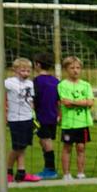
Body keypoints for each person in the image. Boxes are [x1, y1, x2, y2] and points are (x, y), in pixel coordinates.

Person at [3, 57, 40, 183]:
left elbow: (30, 101)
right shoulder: (9, 82)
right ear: (15, 70)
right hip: (15, 119)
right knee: (17, 147)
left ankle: (21, 172)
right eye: (22, 70)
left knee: (23, 147)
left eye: (28, 71)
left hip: (28, 118)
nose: (26, 73)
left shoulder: (30, 84)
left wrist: (34, 115)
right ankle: (7, 170)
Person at [57, 56, 94, 179]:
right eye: (72, 68)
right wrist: (82, 102)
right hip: (69, 123)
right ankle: (66, 174)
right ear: (66, 69)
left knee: (81, 147)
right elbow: (65, 103)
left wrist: (74, 102)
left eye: (78, 68)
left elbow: (90, 102)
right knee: (67, 147)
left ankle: (80, 173)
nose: (75, 70)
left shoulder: (86, 85)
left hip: (82, 123)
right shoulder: (62, 85)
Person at [33, 51, 61, 179]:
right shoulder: (56, 81)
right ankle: (47, 167)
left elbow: (34, 99)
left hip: (42, 116)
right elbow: (59, 100)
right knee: (43, 140)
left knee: (46, 141)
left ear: (37, 65)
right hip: (53, 115)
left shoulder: (36, 81)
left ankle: (50, 169)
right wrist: (59, 114)